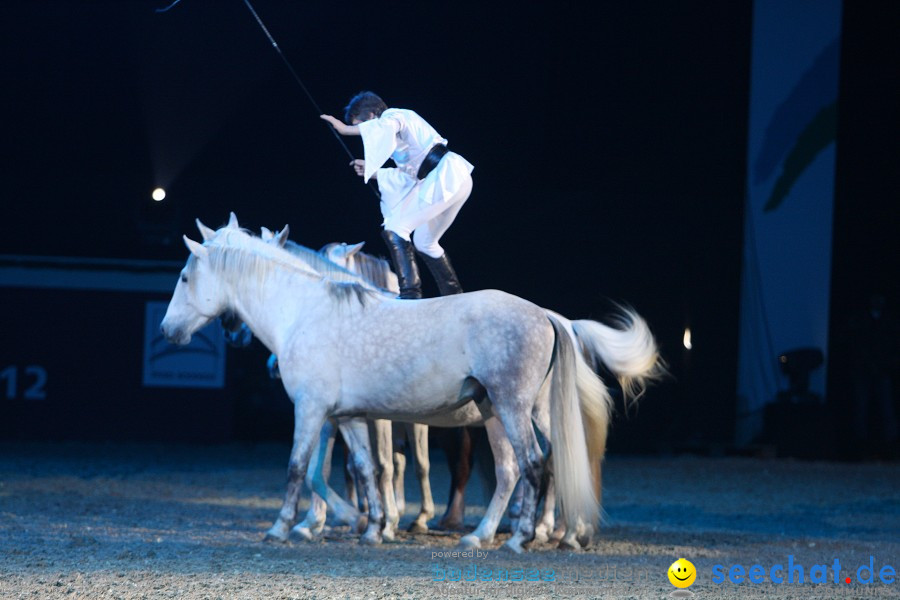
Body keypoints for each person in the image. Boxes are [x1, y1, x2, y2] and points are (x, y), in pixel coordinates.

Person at [320, 92, 474, 299]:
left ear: (373, 116)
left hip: (446, 178)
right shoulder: (402, 143)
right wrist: (374, 172)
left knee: (395, 227)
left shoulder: (396, 115)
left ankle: (410, 294)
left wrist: (347, 129)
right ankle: (454, 295)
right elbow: (409, 176)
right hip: (449, 180)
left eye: (363, 127)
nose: (365, 134)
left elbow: (387, 126)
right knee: (424, 242)